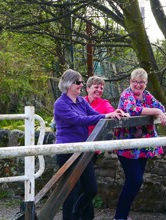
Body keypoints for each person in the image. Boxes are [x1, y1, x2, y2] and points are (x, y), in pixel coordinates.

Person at [54, 69, 124, 220]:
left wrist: (113, 114)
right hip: (67, 150)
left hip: (83, 150)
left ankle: (76, 213)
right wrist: (106, 115)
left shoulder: (81, 101)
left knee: (91, 189)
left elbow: (93, 114)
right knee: (70, 192)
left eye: (81, 82)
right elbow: (78, 120)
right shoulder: (60, 104)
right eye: (78, 82)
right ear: (68, 84)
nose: (81, 85)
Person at [113, 68, 166, 220]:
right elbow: (132, 109)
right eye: (135, 82)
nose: (138, 85)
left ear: (145, 83)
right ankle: (120, 216)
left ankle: (122, 216)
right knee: (135, 180)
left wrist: (158, 111)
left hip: (143, 146)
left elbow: (161, 107)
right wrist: (156, 112)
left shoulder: (147, 95)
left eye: (141, 83)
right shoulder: (126, 94)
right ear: (130, 82)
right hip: (127, 145)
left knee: (135, 181)